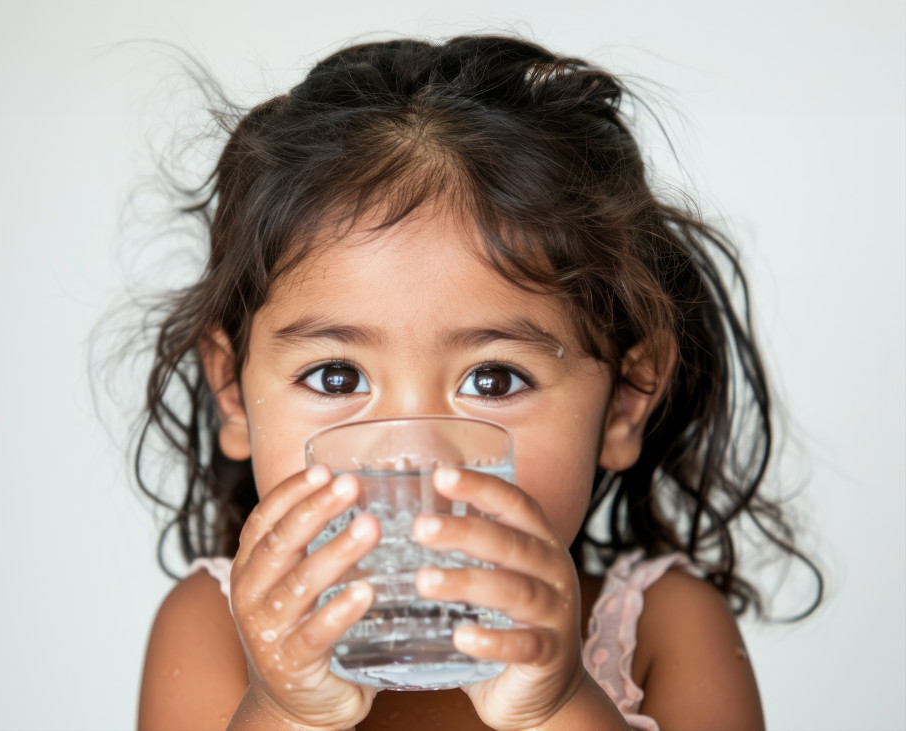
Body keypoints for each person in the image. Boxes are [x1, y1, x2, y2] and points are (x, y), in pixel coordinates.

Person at [128, 34, 821, 730]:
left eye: (493, 379)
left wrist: (558, 706)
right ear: (232, 390)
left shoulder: (667, 629)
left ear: (625, 402)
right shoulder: (210, 628)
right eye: (336, 376)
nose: (413, 454)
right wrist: (284, 711)